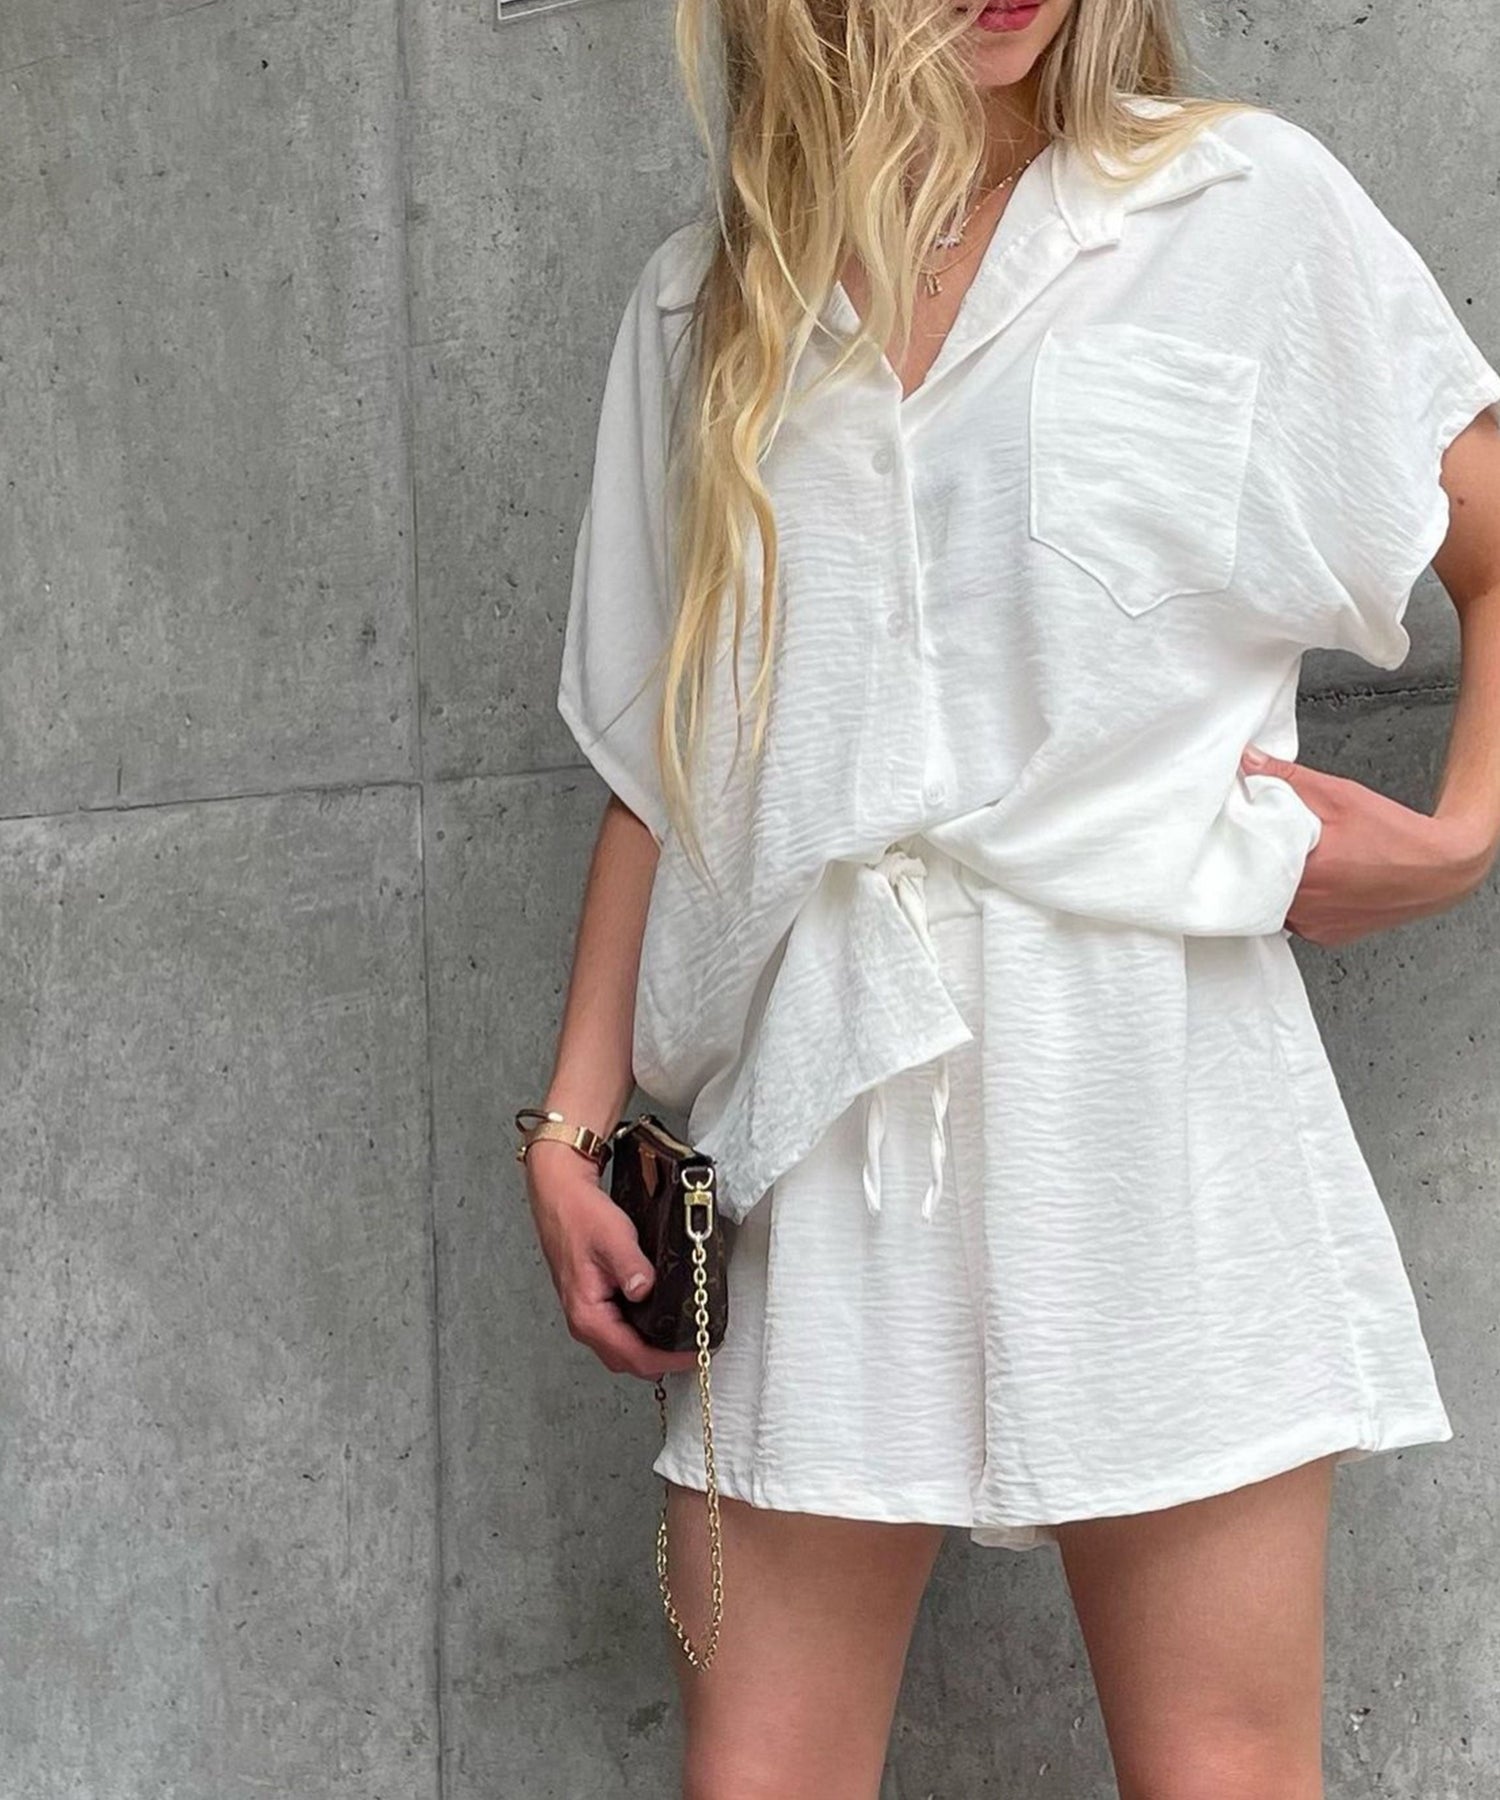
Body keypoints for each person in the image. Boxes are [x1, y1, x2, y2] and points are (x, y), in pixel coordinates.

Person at [516, 0, 1500, 1792]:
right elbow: (665, 757)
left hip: (1156, 1094)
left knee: (1223, 1769)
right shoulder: (703, 312)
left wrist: (1463, 832)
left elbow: (1495, 538)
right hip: (827, 1109)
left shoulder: (1238, 205)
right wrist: (572, 1123)